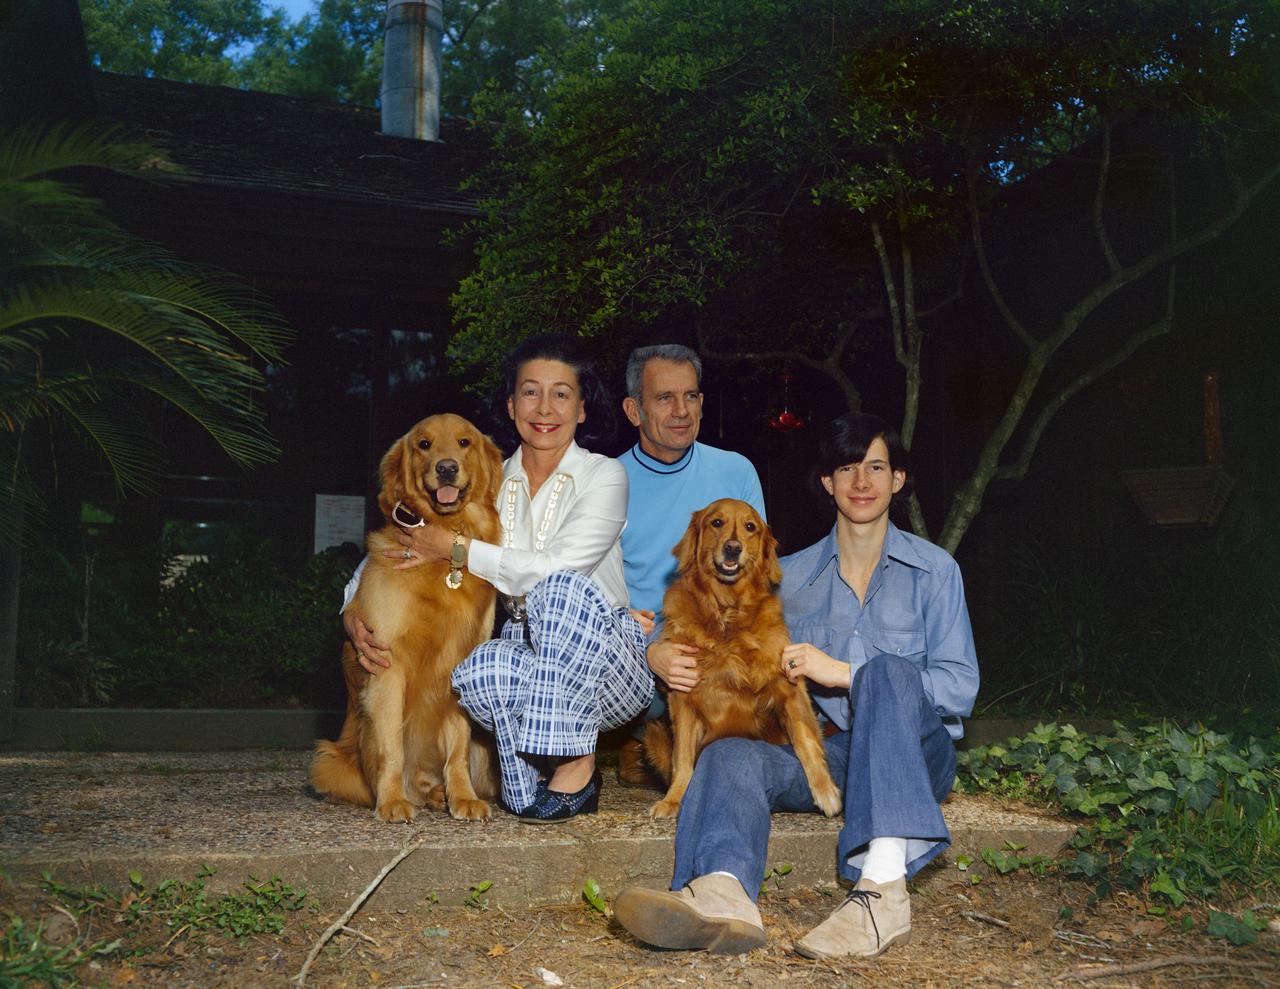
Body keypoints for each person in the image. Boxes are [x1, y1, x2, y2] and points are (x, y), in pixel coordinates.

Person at [613, 412, 979, 958]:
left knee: (887, 671)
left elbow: (960, 687)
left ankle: (881, 893)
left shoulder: (935, 570)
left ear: (898, 480)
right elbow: (720, 630)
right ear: (828, 482)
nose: (861, 481)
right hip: (838, 753)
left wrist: (846, 673)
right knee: (731, 752)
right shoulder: (789, 577)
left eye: (876, 467)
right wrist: (658, 648)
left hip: (916, 754)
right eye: (847, 468)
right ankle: (721, 892)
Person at [344, 334, 653, 823]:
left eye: (561, 394)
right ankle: (521, 777)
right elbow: (403, 546)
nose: (544, 407)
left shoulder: (605, 476)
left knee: (561, 591)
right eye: (531, 392)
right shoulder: (489, 479)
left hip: (606, 666)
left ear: (581, 410)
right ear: (511, 406)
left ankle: (577, 768)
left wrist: (456, 549)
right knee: (478, 669)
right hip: (535, 662)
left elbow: (557, 570)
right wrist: (351, 608)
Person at [617, 344, 766, 785]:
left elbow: (756, 577)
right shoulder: (607, 481)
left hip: (718, 636)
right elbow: (592, 594)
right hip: (636, 647)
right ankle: (638, 736)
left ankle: (688, 746)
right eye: (664, 398)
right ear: (634, 410)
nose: (682, 411)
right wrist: (648, 651)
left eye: (691, 396)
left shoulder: (736, 471)